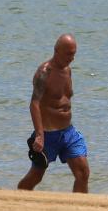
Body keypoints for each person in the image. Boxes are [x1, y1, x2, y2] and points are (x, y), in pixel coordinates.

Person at [16, 33, 89, 193]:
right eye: (69, 54)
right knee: (36, 177)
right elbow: (34, 104)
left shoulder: (68, 70)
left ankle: (80, 210)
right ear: (57, 51)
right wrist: (39, 135)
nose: (73, 58)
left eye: (74, 54)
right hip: (48, 135)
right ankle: (17, 198)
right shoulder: (44, 73)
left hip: (68, 132)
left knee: (82, 172)